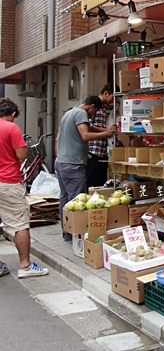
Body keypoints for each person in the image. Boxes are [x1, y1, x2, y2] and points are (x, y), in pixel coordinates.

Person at [0, 98, 49, 278]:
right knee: (20, 224)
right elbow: (21, 155)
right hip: (8, 181)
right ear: (12, 114)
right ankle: (25, 265)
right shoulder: (11, 128)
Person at [56, 95, 116, 241]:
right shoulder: (81, 113)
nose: (93, 115)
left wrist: (106, 130)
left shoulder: (69, 113)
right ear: (92, 107)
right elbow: (85, 135)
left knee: (65, 200)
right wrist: (107, 133)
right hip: (73, 165)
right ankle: (77, 235)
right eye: (94, 113)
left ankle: (67, 232)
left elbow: (59, 138)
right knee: (77, 201)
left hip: (62, 163)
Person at [86, 84, 114, 189]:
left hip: (102, 152)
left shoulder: (102, 108)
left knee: (101, 184)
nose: (113, 101)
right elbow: (88, 126)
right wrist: (106, 131)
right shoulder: (93, 105)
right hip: (93, 152)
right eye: (112, 97)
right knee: (92, 184)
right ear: (106, 93)